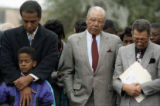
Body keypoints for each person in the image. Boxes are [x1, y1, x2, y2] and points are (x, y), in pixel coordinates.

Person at [58, 6, 122, 106]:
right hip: (79, 98)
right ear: (87, 19)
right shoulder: (73, 41)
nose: (96, 24)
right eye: (93, 20)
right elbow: (67, 70)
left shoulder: (115, 41)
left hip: (106, 98)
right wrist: (70, 93)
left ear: (104, 23)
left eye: (100, 21)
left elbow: (119, 69)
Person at [0, 1, 58, 106]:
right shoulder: (8, 36)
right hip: (12, 92)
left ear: (40, 18)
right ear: (21, 17)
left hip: (42, 92)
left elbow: (49, 62)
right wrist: (21, 85)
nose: (29, 25)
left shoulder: (51, 38)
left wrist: (29, 78)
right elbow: (5, 62)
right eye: (25, 21)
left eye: (33, 21)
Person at [113, 19, 160, 106]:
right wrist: (124, 87)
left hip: (150, 102)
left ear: (149, 36)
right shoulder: (122, 51)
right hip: (127, 102)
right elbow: (115, 80)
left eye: (143, 39)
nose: (139, 42)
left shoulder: (158, 51)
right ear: (132, 34)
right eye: (136, 39)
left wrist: (141, 88)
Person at [44, 19, 69, 106]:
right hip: (48, 90)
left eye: (57, 38)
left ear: (61, 36)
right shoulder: (42, 50)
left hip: (66, 91)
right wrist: (56, 74)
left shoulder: (69, 48)